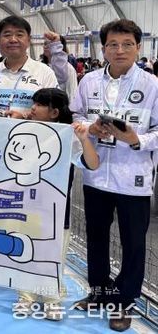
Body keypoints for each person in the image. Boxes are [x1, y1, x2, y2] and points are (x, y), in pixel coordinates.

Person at [70, 19, 158, 332]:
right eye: (113, 45)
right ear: (103, 48)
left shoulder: (152, 85)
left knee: (133, 243)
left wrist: (136, 139)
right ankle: (99, 291)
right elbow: (76, 115)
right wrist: (89, 128)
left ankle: (123, 301)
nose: (120, 50)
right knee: (96, 237)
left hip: (133, 178)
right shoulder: (89, 81)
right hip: (95, 175)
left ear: (138, 47)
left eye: (127, 44)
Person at [12, 88, 100, 321]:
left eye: (40, 104)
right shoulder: (24, 132)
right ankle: (25, 296)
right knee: (25, 251)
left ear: (54, 113)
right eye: (34, 103)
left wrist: (84, 139)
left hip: (56, 210)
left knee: (53, 255)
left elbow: (92, 164)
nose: (33, 108)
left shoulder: (67, 138)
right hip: (25, 206)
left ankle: (52, 299)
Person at [42, 32, 78, 99]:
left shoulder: (68, 68)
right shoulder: (40, 66)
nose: (46, 46)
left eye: (50, 43)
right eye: (45, 43)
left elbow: (73, 92)